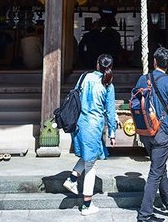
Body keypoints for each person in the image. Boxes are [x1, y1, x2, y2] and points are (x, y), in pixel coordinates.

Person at [134, 46, 168, 222]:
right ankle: (145, 214)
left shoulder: (143, 79)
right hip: (162, 133)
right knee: (156, 173)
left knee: (160, 168)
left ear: (154, 61)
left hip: (146, 131)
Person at [62, 54, 118, 216]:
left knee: (88, 156)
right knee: (91, 166)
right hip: (94, 126)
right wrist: (112, 133)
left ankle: (72, 179)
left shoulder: (84, 77)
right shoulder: (108, 85)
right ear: (110, 67)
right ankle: (87, 205)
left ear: (97, 64)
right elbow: (110, 110)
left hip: (79, 123)